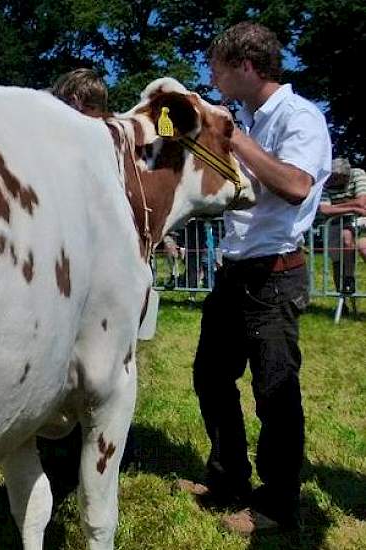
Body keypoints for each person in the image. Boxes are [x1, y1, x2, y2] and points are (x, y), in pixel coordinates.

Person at [176, 22, 332, 535]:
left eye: (217, 68)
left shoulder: (299, 117)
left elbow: (294, 185)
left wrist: (236, 139)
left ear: (245, 66)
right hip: (235, 269)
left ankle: (278, 504)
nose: (212, 77)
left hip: (275, 275)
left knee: (274, 393)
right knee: (211, 376)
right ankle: (226, 480)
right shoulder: (240, 115)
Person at [40, 67, 109, 506]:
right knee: (58, 360)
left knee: (102, 367)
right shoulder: (43, 141)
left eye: (96, 118)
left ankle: (99, 444)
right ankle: (56, 452)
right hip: (55, 268)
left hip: (99, 271)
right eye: (82, 116)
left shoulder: (107, 145)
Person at [318, 157, 366, 294]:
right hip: (335, 221)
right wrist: (354, 207)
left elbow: (362, 202)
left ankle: (349, 278)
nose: (330, 181)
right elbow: (324, 210)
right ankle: (342, 295)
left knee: (346, 235)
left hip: (360, 219)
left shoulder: (358, 174)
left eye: (335, 178)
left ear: (345, 177)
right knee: (337, 259)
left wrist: (337, 206)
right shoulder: (324, 182)